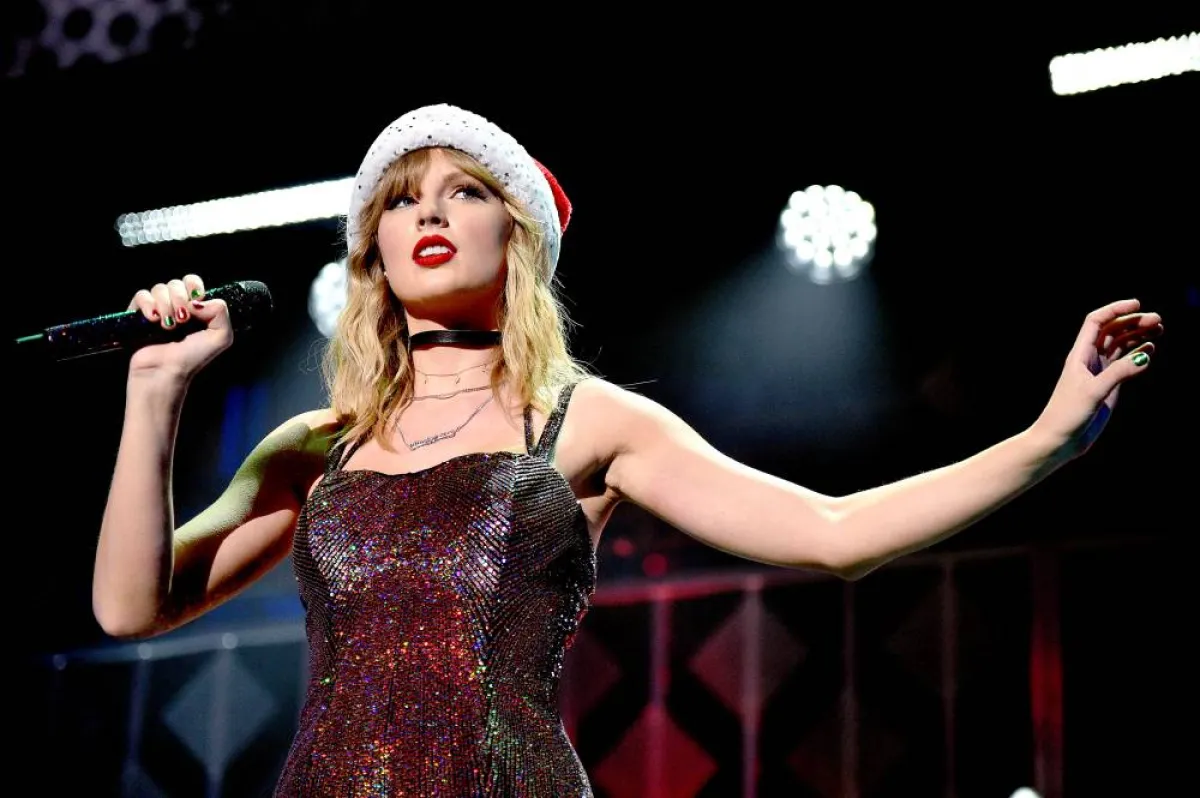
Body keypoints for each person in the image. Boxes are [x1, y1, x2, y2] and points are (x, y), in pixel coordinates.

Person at [91, 104, 1163, 796]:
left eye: (466, 191)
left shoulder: (586, 420)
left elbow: (834, 536)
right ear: (371, 250)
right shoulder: (312, 447)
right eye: (403, 198)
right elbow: (129, 608)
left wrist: (1049, 438)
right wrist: (154, 399)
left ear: (519, 236)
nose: (430, 211)